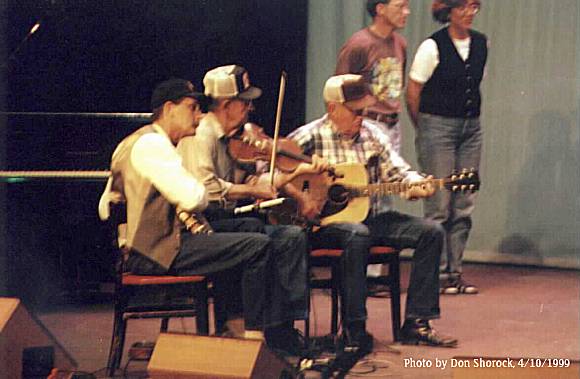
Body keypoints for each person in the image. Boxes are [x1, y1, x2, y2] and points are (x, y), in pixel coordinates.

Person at [288, 74, 458, 351]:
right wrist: (304, 194)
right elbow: (273, 173)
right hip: (326, 225)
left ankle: (417, 322)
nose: (362, 116)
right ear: (333, 108)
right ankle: (355, 329)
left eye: (364, 109)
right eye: (355, 110)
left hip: (372, 218)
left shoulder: (373, 135)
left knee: (431, 231)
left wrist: (417, 185)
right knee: (357, 234)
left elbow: (399, 172)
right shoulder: (308, 136)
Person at [98, 78, 273, 341]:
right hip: (156, 252)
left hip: (149, 246)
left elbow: (104, 207)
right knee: (256, 246)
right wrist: (192, 183)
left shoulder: (135, 141)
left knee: (246, 231)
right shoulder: (153, 146)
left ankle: (230, 328)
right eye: (192, 108)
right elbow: (194, 198)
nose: (200, 116)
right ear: (169, 109)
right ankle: (253, 339)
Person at [177, 65, 326, 355]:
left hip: (224, 219)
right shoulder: (201, 135)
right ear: (226, 104)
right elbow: (205, 190)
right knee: (258, 234)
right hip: (202, 224)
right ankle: (253, 328)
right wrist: (251, 190)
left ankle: (282, 326)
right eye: (244, 102)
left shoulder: (227, 137)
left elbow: (248, 179)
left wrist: (296, 173)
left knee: (292, 236)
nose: (250, 107)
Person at [406, 0, 487, 295]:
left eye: (474, 7)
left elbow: (473, 84)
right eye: (463, 7)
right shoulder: (433, 46)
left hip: (470, 128)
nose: (469, 13)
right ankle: (437, 275)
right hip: (437, 125)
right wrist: (426, 129)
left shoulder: (480, 43)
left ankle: (455, 272)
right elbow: (413, 91)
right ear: (449, 11)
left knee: (464, 202)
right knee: (438, 203)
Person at [335, 0, 411, 154]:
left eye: (407, 7)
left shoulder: (400, 44)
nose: (406, 12)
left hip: (393, 124)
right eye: (400, 6)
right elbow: (337, 88)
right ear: (380, 9)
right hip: (368, 122)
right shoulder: (359, 44)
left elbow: (398, 83)